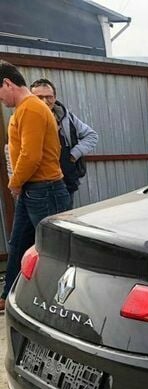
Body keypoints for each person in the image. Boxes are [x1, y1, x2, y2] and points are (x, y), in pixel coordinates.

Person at [0, 60, 69, 312]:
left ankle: (56, 303)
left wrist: (15, 183)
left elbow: (31, 155)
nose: (1, 100)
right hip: (33, 190)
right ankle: (9, 295)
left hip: (45, 189)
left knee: (53, 251)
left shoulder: (31, 109)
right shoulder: (22, 109)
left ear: (7, 83)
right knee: (18, 242)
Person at [30, 78, 97, 209]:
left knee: (64, 222)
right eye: (39, 97)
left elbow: (91, 136)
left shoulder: (66, 117)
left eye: (49, 97)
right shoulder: (26, 118)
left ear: (55, 98)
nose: (44, 101)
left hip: (66, 181)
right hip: (39, 186)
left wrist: (73, 155)